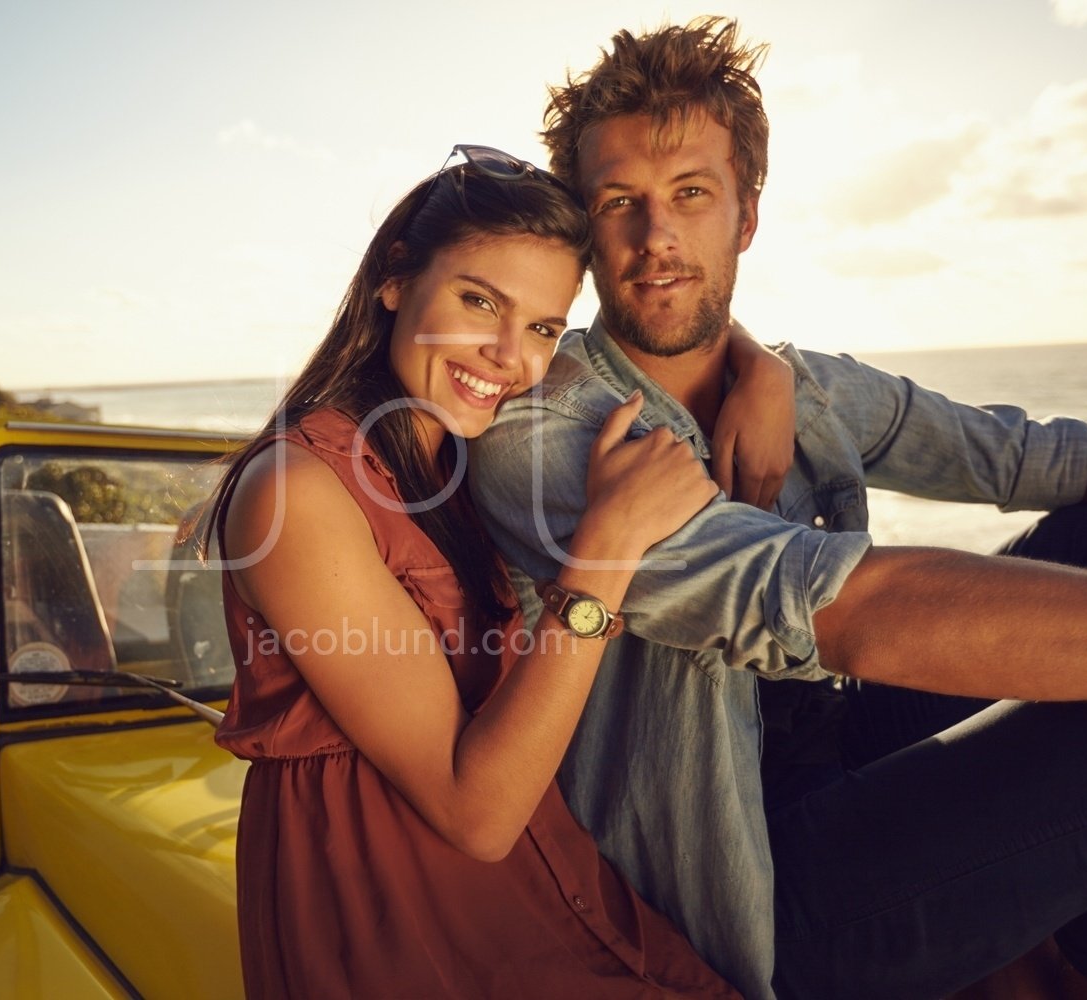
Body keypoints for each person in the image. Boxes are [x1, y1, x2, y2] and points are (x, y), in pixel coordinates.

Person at [468, 18, 1087, 1000]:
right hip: (742, 894)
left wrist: (767, 365)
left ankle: (1084, 938)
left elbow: (1066, 457)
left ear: (745, 216)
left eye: (691, 196)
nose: (656, 238)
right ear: (584, 230)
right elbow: (847, 612)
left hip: (836, 747)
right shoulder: (548, 436)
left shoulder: (806, 388)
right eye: (619, 202)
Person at [203, 144, 800, 998]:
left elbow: (665, 320)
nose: (506, 356)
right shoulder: (300, 490)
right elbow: (473, 812)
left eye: (544, 328)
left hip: (539, 894)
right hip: (398, 926)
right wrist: (608, 544)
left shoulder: (454, 461)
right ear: (397, 279)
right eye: (479, 301)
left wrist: (761, 365)